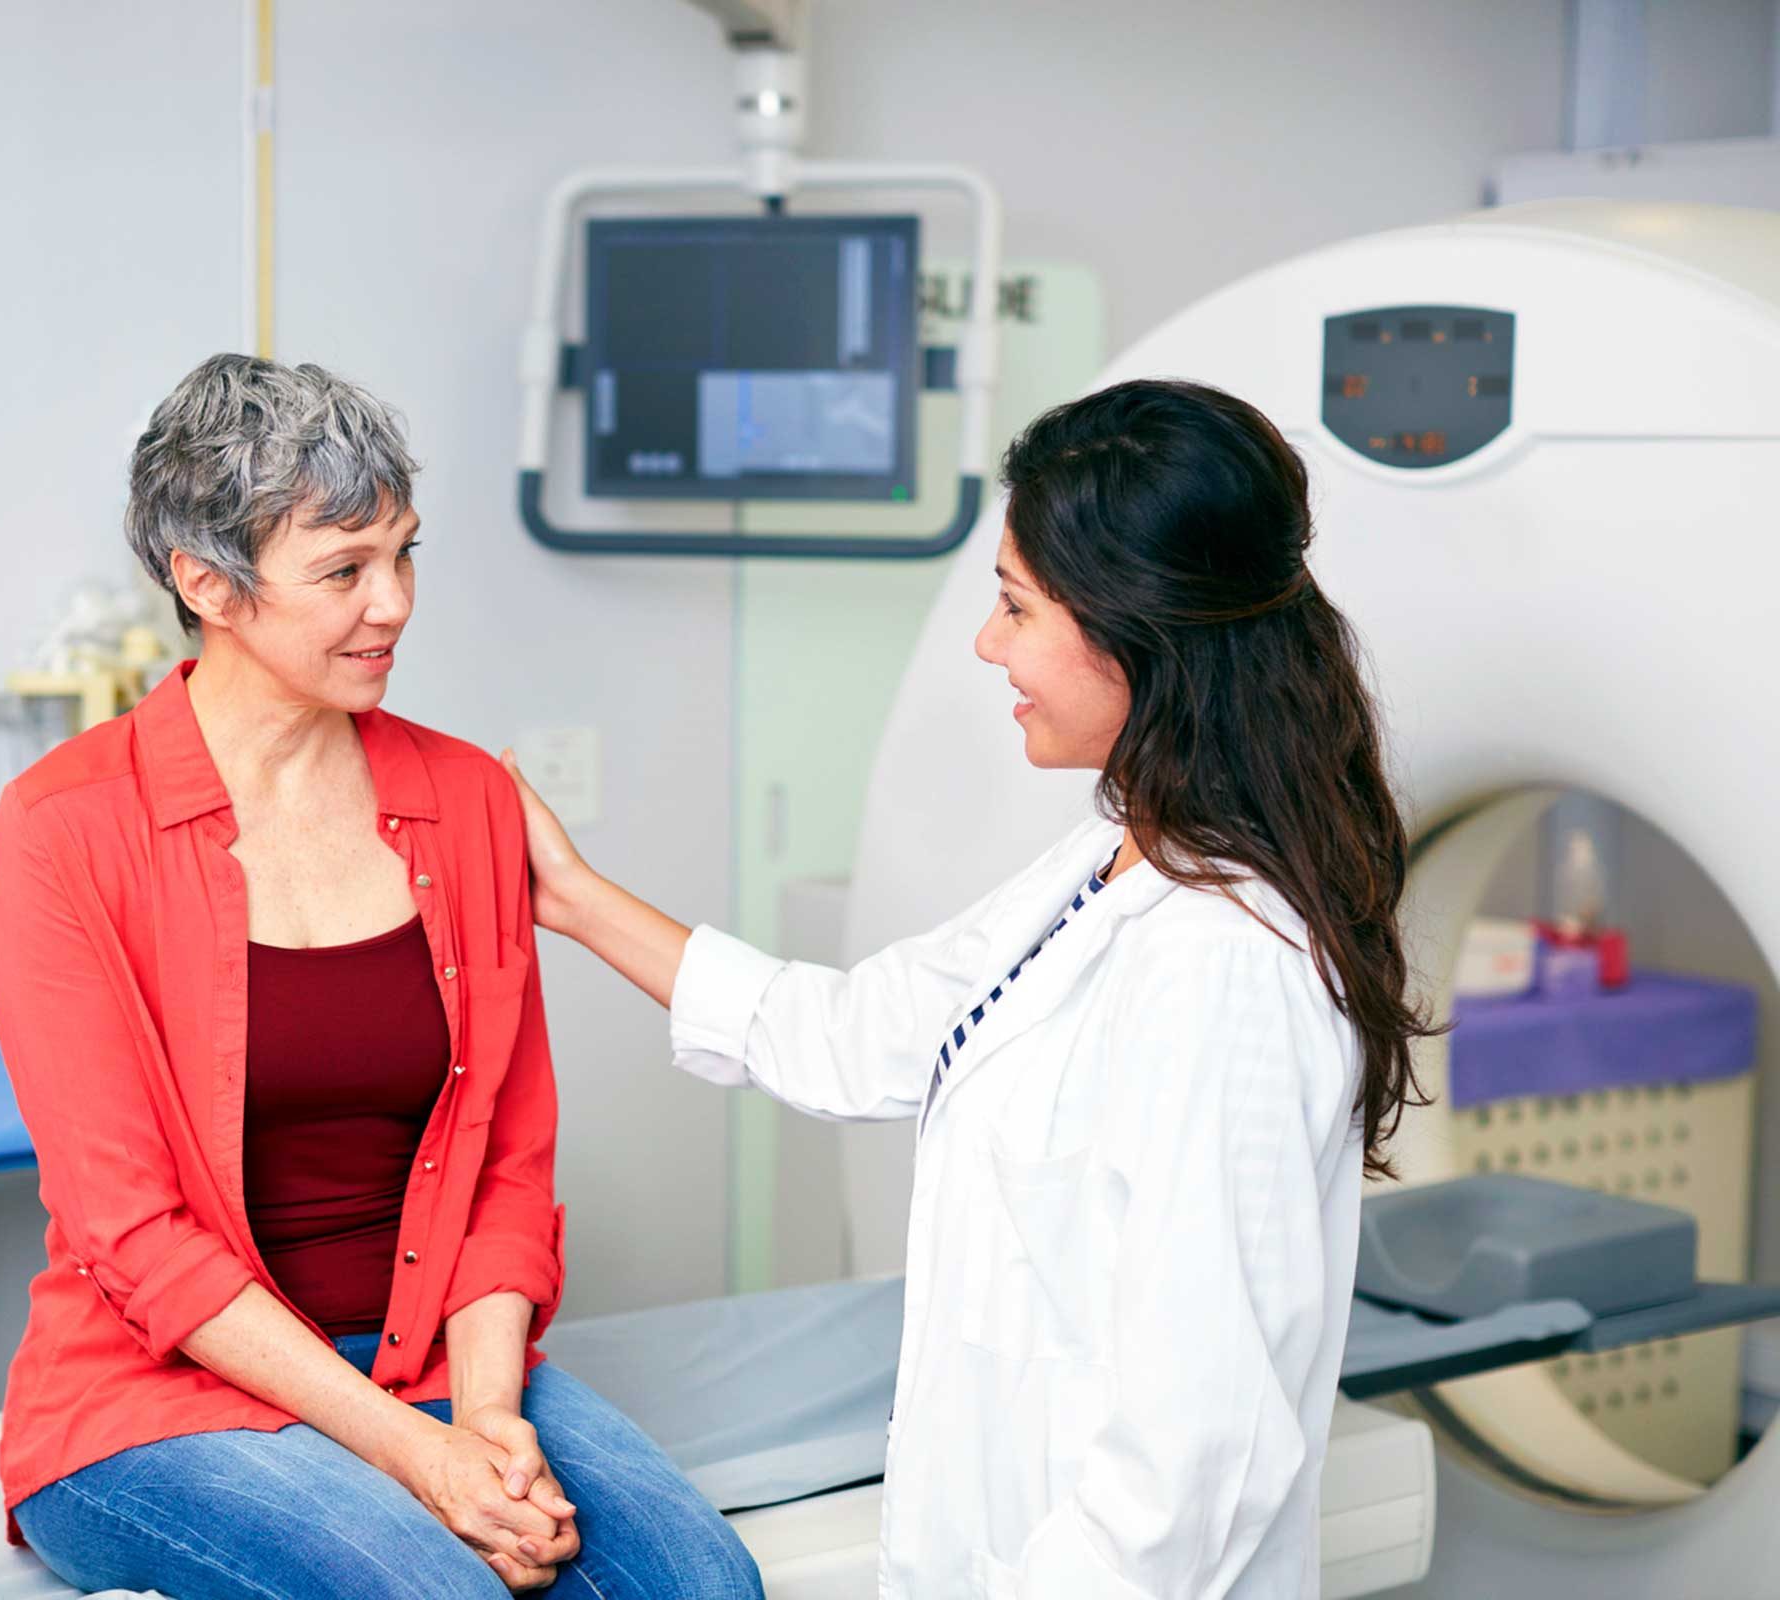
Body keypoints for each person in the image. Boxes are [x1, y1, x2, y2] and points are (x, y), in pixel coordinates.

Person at [504, 378, 1433, 1598]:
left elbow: (1192, 1463)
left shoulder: (1227, 968)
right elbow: (846, 1033)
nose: (990, 643)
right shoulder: (1115, 860)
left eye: (1015, 605)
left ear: (1135, 626)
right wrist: (566, 892)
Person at [0, 354, 762, 1599]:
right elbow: (131, 1234)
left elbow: (507, 1161)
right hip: (158, 1391)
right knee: (439, 1592)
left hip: (437, 1360)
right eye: (343, 570)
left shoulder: (463, 798)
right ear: (206, 583)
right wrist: (421, 1459)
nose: (392, 602)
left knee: (708, 1585)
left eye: (404, 554)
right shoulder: (67, 825)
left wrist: (490, 1421)